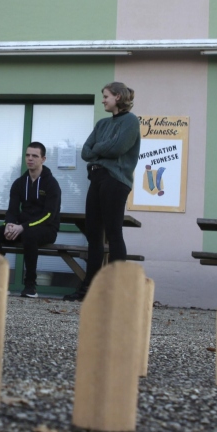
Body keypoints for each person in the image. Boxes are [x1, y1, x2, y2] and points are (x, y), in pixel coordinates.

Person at [66, 82, 141, 302]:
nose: (103, 100)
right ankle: (88, 290)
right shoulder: (101, 124)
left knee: (114, 233)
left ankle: (118, 292)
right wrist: (102, 149)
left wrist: (99, 149)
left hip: (116, 181)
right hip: (96, 178)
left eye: (106, 96)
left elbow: (117, 148)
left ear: (117, 97)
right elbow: (85, 152)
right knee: (93, 235)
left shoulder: (130, 121)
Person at [0, 142, 61, 298]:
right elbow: (12, 210)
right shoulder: (19, 183)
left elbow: (49, 215)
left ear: (43, 159)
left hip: (47, 229)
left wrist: (23, 227)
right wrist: (9, 225)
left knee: (30, 235)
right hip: (23, 227)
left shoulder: (51, 184)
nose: (30, 159)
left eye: (35, 156)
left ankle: (30, 286)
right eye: (27, 155)